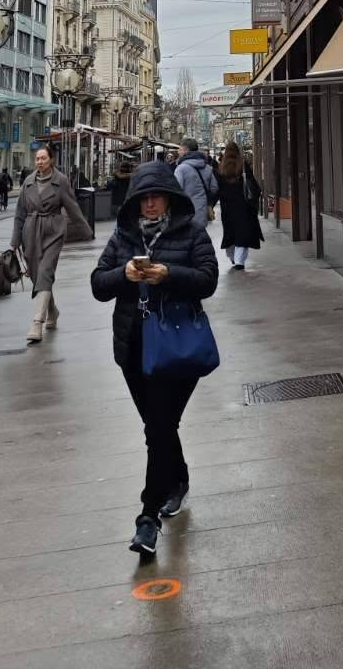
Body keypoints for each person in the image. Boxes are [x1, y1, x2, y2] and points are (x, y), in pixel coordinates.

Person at [90, 163, 218, 556]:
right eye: (143, 198)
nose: (150, 204)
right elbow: (98, 284)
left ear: (170, 198)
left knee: (158, 426)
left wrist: (169, 274)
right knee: (158, 426)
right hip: (133, 348)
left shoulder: (191, 232)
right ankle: (177, 479)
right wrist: (124, 275)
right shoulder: (123, 235)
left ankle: (147, 518)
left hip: (177, 348)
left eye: (157, 197)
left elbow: (208, 279)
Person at [10, 144, 90, 343]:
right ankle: (52, 311)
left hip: (53, 231)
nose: (39, 162)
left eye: (43, 158)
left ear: (51, 160)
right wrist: (15, 240)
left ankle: (37, 321)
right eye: (37, 158)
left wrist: (85, 230)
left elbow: (72, 207)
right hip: (31, 232)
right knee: (37, 276)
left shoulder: (60, 181)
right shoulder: (28, 182)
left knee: (45, 271)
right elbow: (20, 213)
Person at [217, 143, 263, 270]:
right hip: (243, 204)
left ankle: (232, 256)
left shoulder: (221, 166)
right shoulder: (242, 164)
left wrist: (211, 203)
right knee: (242, 231)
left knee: (230, 232)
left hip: (227, 206)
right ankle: (239, 260)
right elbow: (252, 183)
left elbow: (217, 188)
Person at [173, 138, 218, 230]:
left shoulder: (181, 168)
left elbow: (176, 190)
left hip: (185, 213)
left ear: (186, 150)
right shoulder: (207, 168)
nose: (178, 151)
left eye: (180, 149)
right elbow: (214, 188)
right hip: (202, 212)